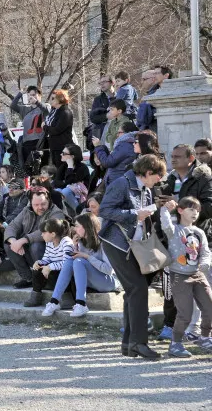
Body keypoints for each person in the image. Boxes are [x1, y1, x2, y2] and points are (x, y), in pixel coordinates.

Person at [99, 154, 167, 360]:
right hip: (117, 244)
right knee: (137, 289)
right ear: (147, 173)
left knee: (133, 291)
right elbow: (105, 210)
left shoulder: (144, 186)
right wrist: (133, 214)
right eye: (158, 176)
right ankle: (138, 343)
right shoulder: (122, 183)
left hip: (132, 245)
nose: (159, 180)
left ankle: (129, 343)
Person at [160, 197, 212, 357]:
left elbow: (205, 252)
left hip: (198, 275)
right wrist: (165, 209)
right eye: (191, 209)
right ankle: (175, 344)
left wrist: (205, 263)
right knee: (185, 313)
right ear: (181, 210)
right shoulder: (173, 230)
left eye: (197, 210)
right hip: (179, 276)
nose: (195, 213)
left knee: (209, 307)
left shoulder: (199, 232)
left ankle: (204, 337)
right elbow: (165, 223)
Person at [42, 213, 117, 318]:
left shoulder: (103, 243)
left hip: (108, 282)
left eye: (77, 226)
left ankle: (81, 304)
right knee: (69, 261)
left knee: (78, 261)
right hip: (92, 281)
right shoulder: (81, 242)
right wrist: (75, 247)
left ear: (86, 227)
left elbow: (109, 270)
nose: (74, 229)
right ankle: (54, 301)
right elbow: (79, 265)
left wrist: (86, 256)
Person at [4, 187, 66, 289]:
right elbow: (12, 226)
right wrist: (13, 241)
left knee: (35, 246)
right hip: (29, 251)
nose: (40, 207)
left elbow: (47, 231)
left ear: (48, 201)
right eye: (36, 205)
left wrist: (24, 239)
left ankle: (46, 279)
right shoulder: (26, 210)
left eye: (43, 204)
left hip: (49, 253)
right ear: (30, 203)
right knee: (8, 245)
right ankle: (29, 278)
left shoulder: (56, 212)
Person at [25, 218, 74, 307]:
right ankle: (36, 296)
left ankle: (67, 298)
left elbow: (68, 263)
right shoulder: (49, 243)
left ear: (53, 234)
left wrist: (50, 267)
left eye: (44, 232)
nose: (41, 235)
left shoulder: (67, 242)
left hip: (65, 274)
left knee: (63, 273)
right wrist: (39, 262)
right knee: (36, 269)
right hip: (52, 272)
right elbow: (47, 258)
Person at [11, 86, 49, 170]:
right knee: (30, 169)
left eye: (34, 95)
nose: (31, 97)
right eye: (29, 95)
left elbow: (47, 111)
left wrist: (37, 102)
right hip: (27, 142)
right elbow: (13, 105)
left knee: (41, 168)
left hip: (40, 142)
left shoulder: (45, 106)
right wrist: (20, 93)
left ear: (39, 95)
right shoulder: (25, 109)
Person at [93, 121, 139, 188]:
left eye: (119, 132)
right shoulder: (127, 144)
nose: (117, 135)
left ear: (127, 133)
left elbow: (107, 162)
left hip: (117, 182)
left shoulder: (125, 145)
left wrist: (98, 146)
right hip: (118, 180)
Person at [42, 89, 74, 170]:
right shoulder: (55, 111)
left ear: (60, 99)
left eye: (53, 98)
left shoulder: (65, 112)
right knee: (57, 170)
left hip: (62, 147)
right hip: (54, 146)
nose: (51, 100)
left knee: (62, 169)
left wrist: (45, 127)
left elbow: (57, 129)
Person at [53, 144, 90, 212]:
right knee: (57, 191)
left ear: (72, 156)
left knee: (65, 191)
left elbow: (69, 180)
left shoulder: (82, 167)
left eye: (64, 153)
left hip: (81, 194)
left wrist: (70, 166)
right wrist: (67, 185)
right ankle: (63, 214)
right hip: (68, 192)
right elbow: (56, 182)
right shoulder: (63, 166)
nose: (61, 154)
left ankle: (80, 212)